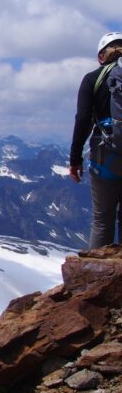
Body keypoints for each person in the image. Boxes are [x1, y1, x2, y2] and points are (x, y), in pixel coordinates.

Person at [71, 32, 122, 249]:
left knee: (102, 220)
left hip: (106, 154)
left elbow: (83, 119)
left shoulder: (92, 78)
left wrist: (75, 159)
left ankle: (95, 277)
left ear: (101, 56)